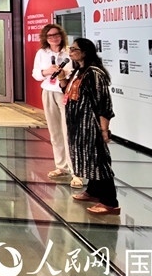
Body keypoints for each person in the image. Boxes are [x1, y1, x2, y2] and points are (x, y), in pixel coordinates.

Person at [57, 38, 119, 216]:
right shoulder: (79, 71)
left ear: (85, 52)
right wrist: (62, 78)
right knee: (88, 159)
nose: (70, 52)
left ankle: (110, 202)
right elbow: (69, 93)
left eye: (74, 49)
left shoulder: (94, 73)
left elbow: (103, 103)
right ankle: (93, 191)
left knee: (98, 161)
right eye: (70, 49)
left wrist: (104, 129)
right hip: (78, 124)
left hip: (90, 124)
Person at [31, 24, 78, 187]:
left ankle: (75, 171)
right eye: (50, 36)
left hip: (65, 92)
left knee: (68, 131)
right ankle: (61, 166)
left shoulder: (69, 52)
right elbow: (36, 74)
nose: (53, 38)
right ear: (45, 38)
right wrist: (47, 71)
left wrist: (64, 74)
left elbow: (77, 72)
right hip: (48, 91)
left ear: (61, 35)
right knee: (55, 131)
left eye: (56, 35)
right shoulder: (42, 53)